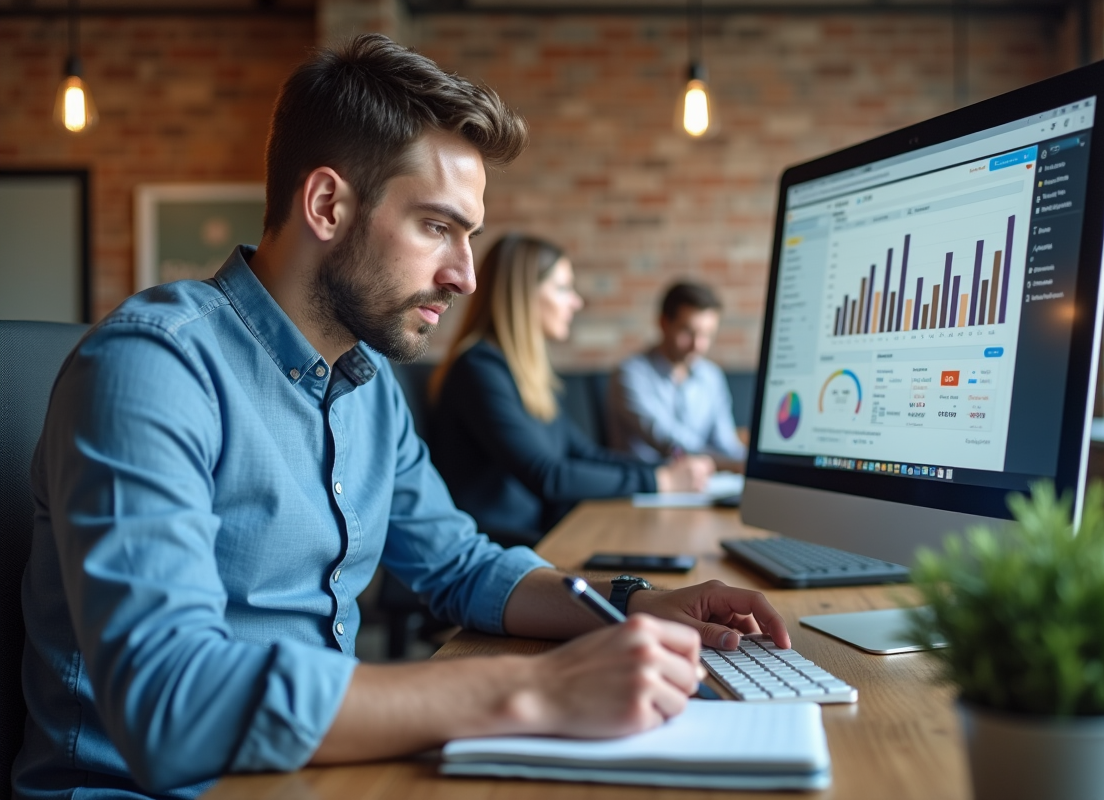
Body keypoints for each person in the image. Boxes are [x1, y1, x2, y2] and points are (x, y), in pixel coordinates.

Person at [14, 36, 791, 800]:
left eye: (469, 236)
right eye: (436, 227)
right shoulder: (154, 366)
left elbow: (461, 567)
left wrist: (632, 605)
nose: (464, 275)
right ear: (326, 205)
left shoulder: (370, 385)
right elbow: (170, 705)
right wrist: (531, 691)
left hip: (311, 774)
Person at [427, 234, 714, 546]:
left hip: (540, 533)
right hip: (497, 546)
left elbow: (582, 453)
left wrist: (666, 469)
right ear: (524, 296)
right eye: (563, 288)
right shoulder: (478, 368)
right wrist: (659, 481)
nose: (576, 301)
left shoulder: (524, 372)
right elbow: (548, 476)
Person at [607, 281, 747, 470]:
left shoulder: (711, 376)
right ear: (664, 323)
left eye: (707, 335)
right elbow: (670, 443)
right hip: (643, 487)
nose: (698, 345)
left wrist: (752, 464)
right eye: (688, 332)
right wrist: (728, 464)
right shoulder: (630, 374)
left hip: (700, 485)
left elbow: (726, 443)